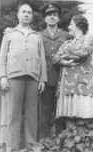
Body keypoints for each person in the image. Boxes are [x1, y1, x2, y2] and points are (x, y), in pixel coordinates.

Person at [0, 2, 47, 152]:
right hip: (14, 78)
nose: (26, 14)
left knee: (32, 116)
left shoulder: (36, 36)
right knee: (13, 115)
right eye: (24, 12)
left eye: (29, 12)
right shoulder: (9, 34)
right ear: (18, 15)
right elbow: (2, 58)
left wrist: (43, 79)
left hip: (33, 79)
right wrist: (3, 76)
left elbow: (42, 60)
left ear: (31, 16)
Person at [52, 14, 93, 129]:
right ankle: (71, 145)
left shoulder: (89, 39)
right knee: (68, 118)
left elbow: (84, 52)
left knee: (82, 120)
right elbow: (55, 58)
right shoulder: (66, 43)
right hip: (67, 86)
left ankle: (81, 145)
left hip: (82, 85)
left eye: (71, 24)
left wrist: (65, 54)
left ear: (79, 25)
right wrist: (65, 62)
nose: (69, 27)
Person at [39, 2, 69, 139]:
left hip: (61, 78)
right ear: (45, 18)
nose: (52, 17)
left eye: (54, 15)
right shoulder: (38, 35)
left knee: (60, 114)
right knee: (44, 113)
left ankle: (60, 146)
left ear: (58, 18)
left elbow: (80, 40)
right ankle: (44, 145)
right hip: (44, 78)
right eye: (49, 15)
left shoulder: (66, 35)